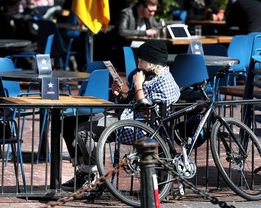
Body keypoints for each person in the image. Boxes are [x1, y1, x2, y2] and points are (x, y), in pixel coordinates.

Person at [61, 39, 181, 191]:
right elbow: (132, 103)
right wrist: (118, 94)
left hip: (139, 127)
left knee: (84, 131)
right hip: (126, 118)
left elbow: (147, 112)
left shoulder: (166, 82)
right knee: (70, 122)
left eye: (141, 60)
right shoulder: (150, 76)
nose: (138, 65)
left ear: (152, 61)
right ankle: (84, 171)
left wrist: (138, 85)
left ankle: (94, 176)